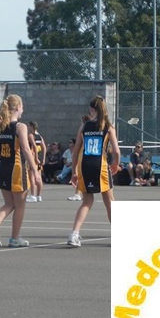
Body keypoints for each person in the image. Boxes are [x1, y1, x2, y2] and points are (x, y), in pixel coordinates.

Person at [0, 94, 41, 248]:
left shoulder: (2, 126)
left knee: (9, 203)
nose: (23, 110)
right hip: (16, 169)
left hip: (3, 167)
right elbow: (26, 149)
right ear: (17, 108)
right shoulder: (20, 127)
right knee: (20, 205)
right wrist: (35, 171)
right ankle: (14, 238)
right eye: (22, 107)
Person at [67, 96, 120, 247]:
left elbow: (75, 152)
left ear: (91, 109)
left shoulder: (84, 126)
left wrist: (74, 172)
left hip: (85, 166)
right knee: (109, 202)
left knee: (87, 202)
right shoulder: (108, 127)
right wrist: (116, 164)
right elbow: (116, 151)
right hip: (100, 166)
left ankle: (74, 234)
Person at [26, 121, 46, 202]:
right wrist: (43, 158)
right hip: (39, 159)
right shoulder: (39, 136)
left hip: (33, 158)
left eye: (28, 126)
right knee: (38, 177)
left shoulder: (31, 135)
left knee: (32, 178)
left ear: (31, 126)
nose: (27, 127)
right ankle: (39, 196)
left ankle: (33, 195)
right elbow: (44, 147)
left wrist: (36, 158)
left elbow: (34, 146)